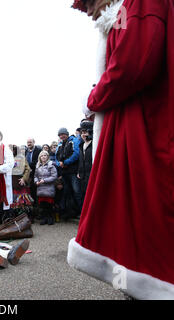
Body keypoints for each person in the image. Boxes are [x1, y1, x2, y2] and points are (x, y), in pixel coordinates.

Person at [68, 0, 174, 299]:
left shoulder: (134, 6)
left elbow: (132, 65)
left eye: (87, 3)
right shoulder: (122, 14)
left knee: (148, 221)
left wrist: (93, 98)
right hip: (138, 136)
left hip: (148, 137)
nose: (85, 10)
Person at [55, 127, 81, 219]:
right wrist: (60, 164)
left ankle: (82, 211)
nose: (62, 136)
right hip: (64, 172)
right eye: (60, 135)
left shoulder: (74, 140)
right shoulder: (60, 144)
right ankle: (71, 212)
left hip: (73, 171)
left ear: (67, 134)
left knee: (77, 191)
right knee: (67, 192)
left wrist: (65, 162)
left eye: (63, 134)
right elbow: (56, 157)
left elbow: (76, 154)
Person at [10, 145, 33, 221]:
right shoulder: (7, 159)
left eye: (13, 150)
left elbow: (28, 169)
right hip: (11, 183)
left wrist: (24, 179)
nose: (11, 151)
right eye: (10, 150)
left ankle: (26, 219)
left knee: (23, 202)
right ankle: (16, 219)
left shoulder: (21, 158)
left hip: (20, 182)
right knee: (13, 202)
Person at [34, 151, 58, 225]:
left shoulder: (51, 165)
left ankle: (50, 218)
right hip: (40, 188)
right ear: (39, 157)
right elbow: (35, 176)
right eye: (42, 155)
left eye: (45, 155)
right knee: (42, 204)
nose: (43, 157)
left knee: (49, 204)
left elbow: (54, 176)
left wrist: (44, 180)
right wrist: (36, 181)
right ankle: (44, 218)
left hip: (48, 187)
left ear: (47, 156)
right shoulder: (38, 166)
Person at [77, 119, 93, 206]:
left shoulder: (94, 144)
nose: (83, 134)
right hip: (83, 175)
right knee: (84, 194)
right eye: (82, 132)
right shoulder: (81, 145)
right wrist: (79, 172)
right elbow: (80, 161)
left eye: (85, 132)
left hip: (91, 173)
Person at [25, 138, 42, 209]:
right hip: (27, 174)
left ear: (34, 142)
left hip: (36, 173)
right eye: (28, 142)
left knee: (35, 191)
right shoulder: (25, 151)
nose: (29, 144)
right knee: (28, 191)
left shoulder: (38, 150)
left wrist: (29, 166)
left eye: (30, 142)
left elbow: (38, 161)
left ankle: (37, 207)